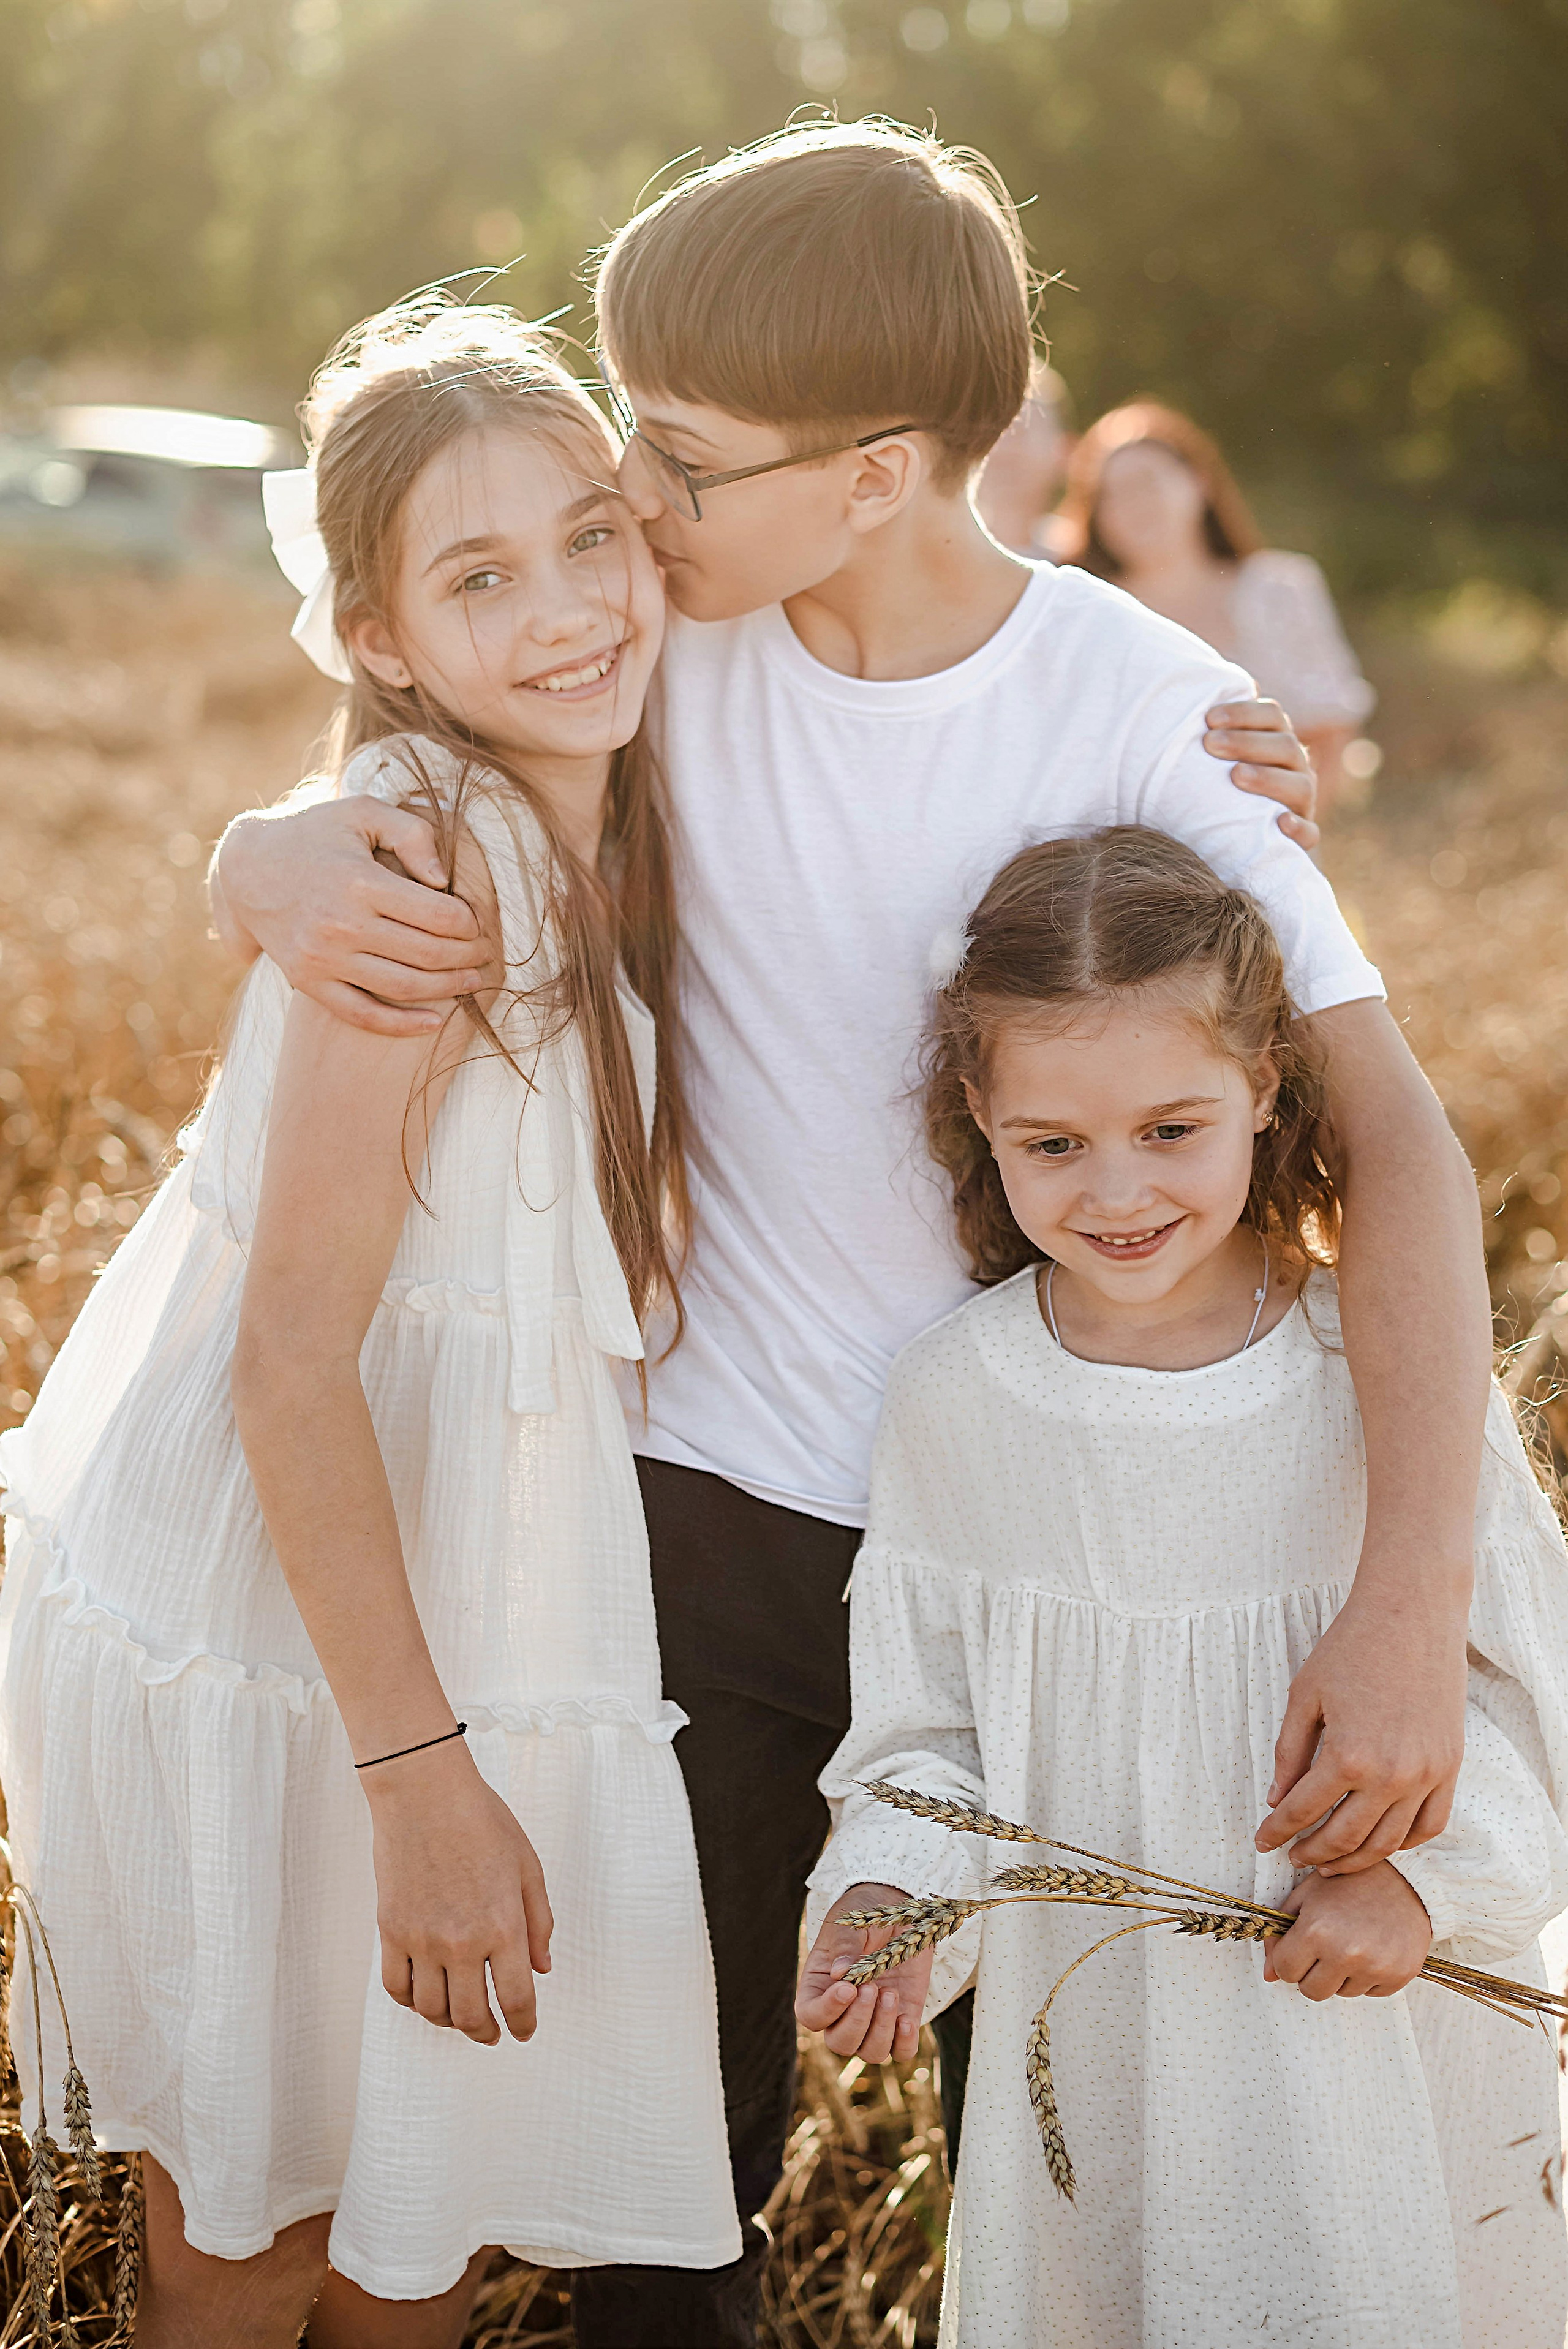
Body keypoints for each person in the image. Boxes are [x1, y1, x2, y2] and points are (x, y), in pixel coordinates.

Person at [208, 123, 1491, 2347]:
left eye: (680, 457)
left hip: (1049, 1556)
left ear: (879, 471)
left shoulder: (1131, 704)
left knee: (1084, 2169)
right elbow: (422, 740)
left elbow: (1402, 1153)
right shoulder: (663, 650)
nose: (630, 500)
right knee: (653, 2200)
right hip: (699, 1532)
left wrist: (1403, 1609)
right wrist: (261, 849)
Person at [0, 298, 739, 2349]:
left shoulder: (610, 799)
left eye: (590, 537)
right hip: (282, 1627)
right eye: (478, 576)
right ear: (380, 637)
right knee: (252, 2239)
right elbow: (290, 1359)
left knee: (420, 2233)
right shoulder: (425, 866)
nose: (568, 608)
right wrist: (418, 1780)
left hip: (454, 1599)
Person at [799, 827, 1568, 2349]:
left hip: (1373, 2043)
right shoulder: (955, 1397)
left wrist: (1419, 1883)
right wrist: (892, 1894)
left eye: (1170, 1127)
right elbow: (923, 1735)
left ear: (1265, 1087)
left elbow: (1528, 1697)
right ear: (979, 1115)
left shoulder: (1380, 1369)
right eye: (1052, 1143)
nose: (1117, 1191)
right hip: (1098, 2065)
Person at [1056, 400, 1376, 815]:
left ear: (1199, 482)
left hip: (1271, 832)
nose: (1133, 504)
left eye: (1147, 482)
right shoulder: (1088, 612)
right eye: (1111, 495)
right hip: (1132, 846)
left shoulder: (1277, 587)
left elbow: (1331, 734)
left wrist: (1288, 835)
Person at [973, 360, 1071, 557]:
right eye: (990, 433)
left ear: (1063, 451)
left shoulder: (1090, 561)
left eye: (1020, 431)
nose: (1003, 450)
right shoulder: (921, 554)